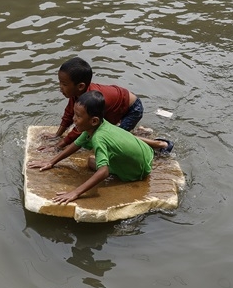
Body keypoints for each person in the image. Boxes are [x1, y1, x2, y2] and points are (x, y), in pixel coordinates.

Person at [29, 91, 164, 204]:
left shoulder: (99, 138)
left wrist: (75, 192)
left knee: (92, 162)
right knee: (94, 159)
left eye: (79, 116)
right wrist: (51, 162)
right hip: (146, 153)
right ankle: (156, 143)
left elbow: (103, 172)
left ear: (93, 120)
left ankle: (130, 166)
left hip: (140, 170)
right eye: (74, 114)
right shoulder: (99, 125)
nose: (74, 119)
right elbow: (76, 144)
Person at [45, 57, 172, 153]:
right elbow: (69, 113)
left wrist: (59, 145)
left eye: (64, 84)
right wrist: (57, 135)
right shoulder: (78, 94)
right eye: (60, 83)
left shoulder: (90, 100)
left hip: (132, 109)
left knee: (116, 139)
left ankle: (160, 144)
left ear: (80, 86)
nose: (60, 88)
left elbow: (80, 130)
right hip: (117, 105)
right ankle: (141, 131)